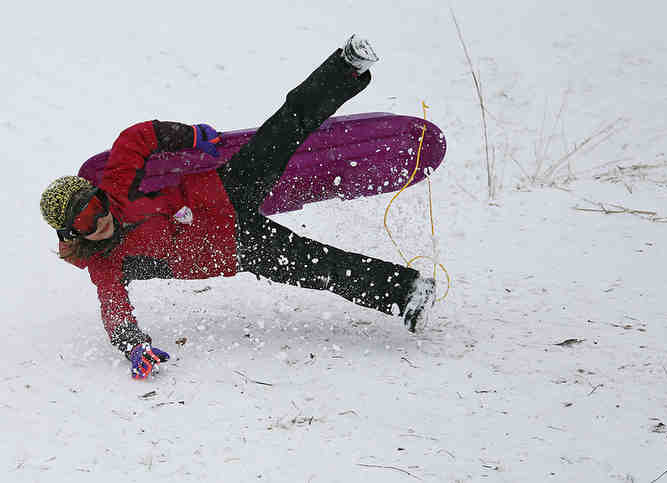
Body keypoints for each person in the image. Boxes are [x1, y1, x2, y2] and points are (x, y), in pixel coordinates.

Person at [40, 36, 436, 380]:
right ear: (72, 234)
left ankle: (346, 68)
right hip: (237, 247)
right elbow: (115, 311)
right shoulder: (106, 266)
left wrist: (191, 136)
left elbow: (136, 137)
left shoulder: (117, 188)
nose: (100, 218)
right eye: (86, 222)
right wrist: (134, 347)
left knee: (285, 126)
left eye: (95, 206)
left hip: (223, 190)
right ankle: (409, 292)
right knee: (321, 267)